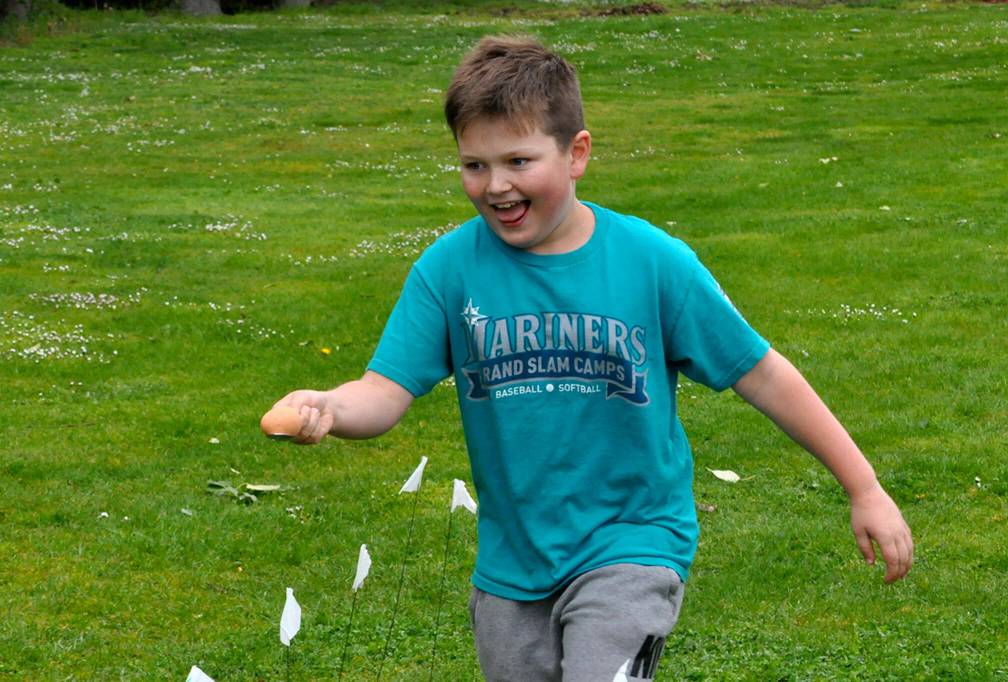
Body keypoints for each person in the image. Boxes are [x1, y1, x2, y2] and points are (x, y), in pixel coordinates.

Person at [268, 35, 913, 682]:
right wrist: (328, 407)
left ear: (577, 153)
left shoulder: (652, 264)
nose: (496, 186)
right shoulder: (448, 272)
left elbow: (763, 373)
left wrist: (864, 487)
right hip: (511, 566)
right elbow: (384, 390)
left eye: (519, 160)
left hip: (631, 544)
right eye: (473, 165)